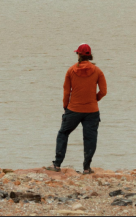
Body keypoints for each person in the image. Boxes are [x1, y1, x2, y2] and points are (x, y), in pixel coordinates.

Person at [46, 43, 107, 174]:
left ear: (78, 54)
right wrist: (95, 99)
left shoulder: (70, 71)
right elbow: (103, 91)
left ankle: (57, 164)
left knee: (63, 133)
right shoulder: (98, 71)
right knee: (90, 138)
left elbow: (66, 92)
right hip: (92, 110)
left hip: (73, 109)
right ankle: (86, 168)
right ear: (90, 55)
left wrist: (65, 106)